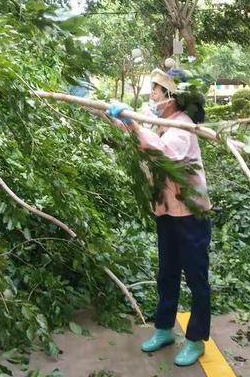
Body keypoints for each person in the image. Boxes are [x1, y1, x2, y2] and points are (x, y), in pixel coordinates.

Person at [107, 68, 212, 367]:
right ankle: (164, 328)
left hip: (191, 215)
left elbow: (162, 151)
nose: (152, 95)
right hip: (167, 211)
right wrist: (113, 115)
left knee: (195, 278)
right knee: (166, 272)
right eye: (153, 89)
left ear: (172, 97)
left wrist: (133, 123)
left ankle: (195, 340)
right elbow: (140, 132)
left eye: (156, 90)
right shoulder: (162, 122)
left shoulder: (182, 126)